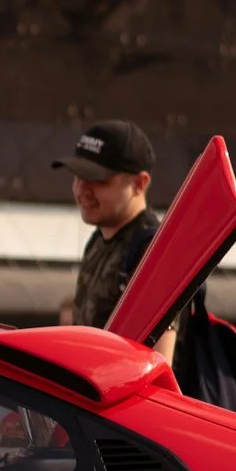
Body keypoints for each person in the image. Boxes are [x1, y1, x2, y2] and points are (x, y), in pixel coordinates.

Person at [60, 120, 163, 341]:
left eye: (98, 180)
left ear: (139, 184)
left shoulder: (155, 253)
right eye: (77, 176)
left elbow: (159, 363)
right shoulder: (98, 241)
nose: (81, 190)